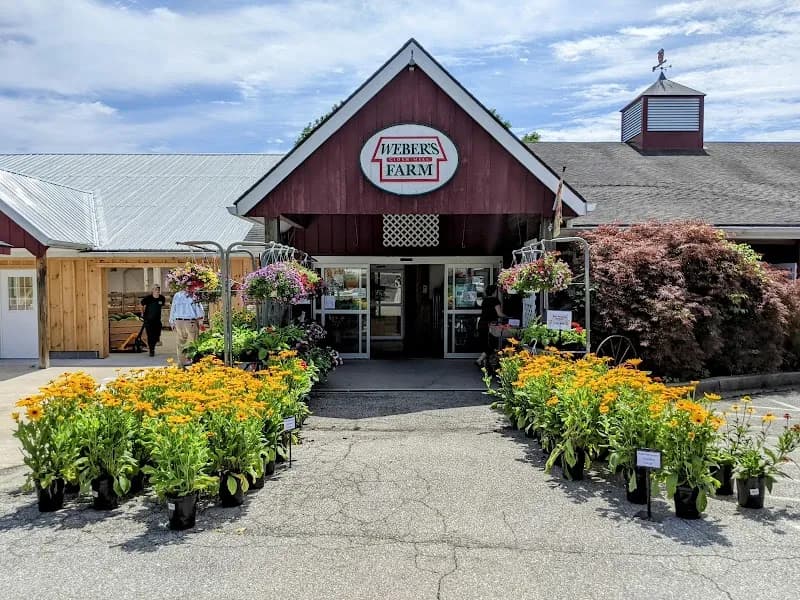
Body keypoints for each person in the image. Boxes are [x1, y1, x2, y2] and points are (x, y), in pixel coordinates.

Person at [169, 287, 205, 366]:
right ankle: (193, 360)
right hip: (190, 321)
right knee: (193, 342)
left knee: (180, 342)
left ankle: (182, 362)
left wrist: (171, 321)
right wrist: (201, 321)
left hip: (178, 321)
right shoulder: (193, 295)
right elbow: (198, 308)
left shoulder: (177, 295)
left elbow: (173, 308)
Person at [476, 284, 506, 367]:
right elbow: (499, 314)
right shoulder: (495, 300)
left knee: (485, 343)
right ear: (495, 292)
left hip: (482, 323)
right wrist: (508, 316)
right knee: (492, 344)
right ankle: (480, 360)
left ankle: (485, 362)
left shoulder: (485, 300)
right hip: (490, 325)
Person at [140, 285, 166, 357]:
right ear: (152, 291)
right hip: (148, 320)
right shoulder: (148, 298)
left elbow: (161, 306)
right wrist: (142, 313)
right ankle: (152, 350)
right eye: (155, 290)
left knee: (157, 333)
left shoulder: (162, 298)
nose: (157, 291)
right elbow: (141, 304)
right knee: (150, 335)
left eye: (158, 290)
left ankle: (155, 341)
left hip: (157, 320)